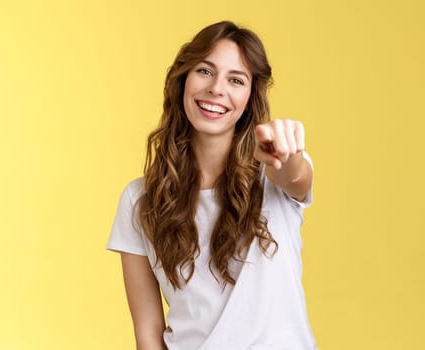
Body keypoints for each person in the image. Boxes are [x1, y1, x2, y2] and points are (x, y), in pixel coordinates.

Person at [106, 20, 317, 350]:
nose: (217, 88)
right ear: (183, 80)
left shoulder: (271, 177)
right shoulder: (140, 200)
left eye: (236, 79)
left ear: (250, 98)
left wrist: (287, 156)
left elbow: (294, 177)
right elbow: (148, 332)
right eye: (205, 71)